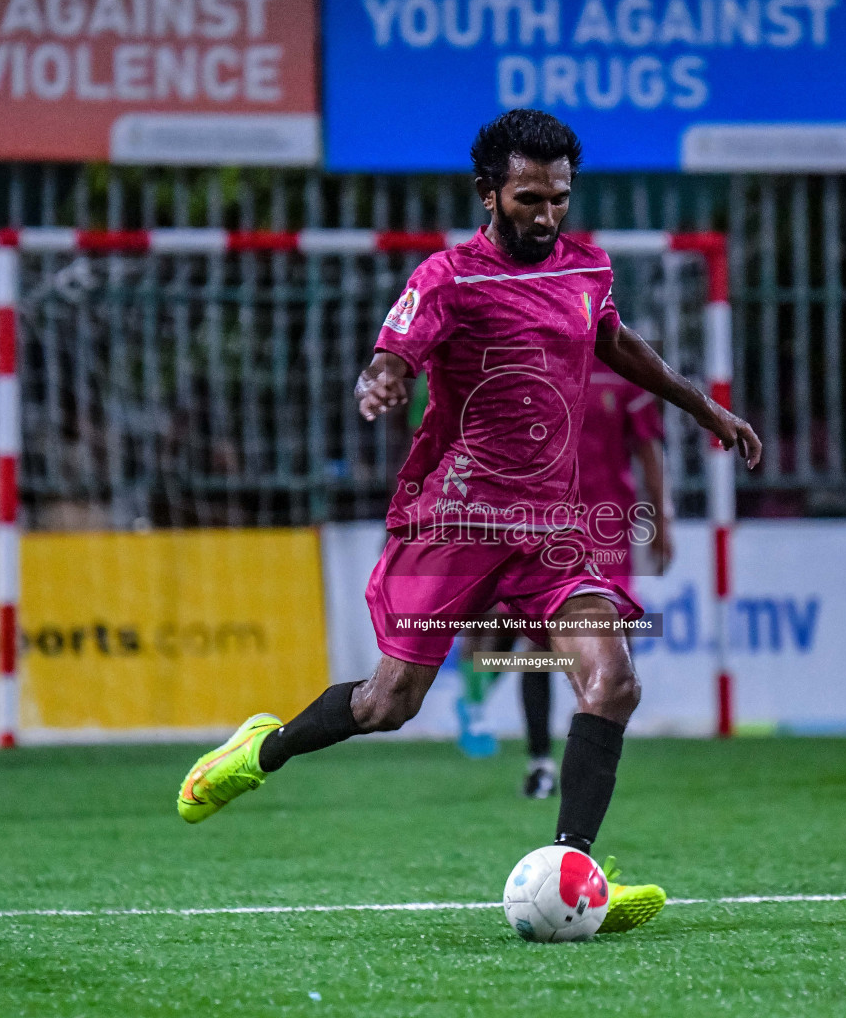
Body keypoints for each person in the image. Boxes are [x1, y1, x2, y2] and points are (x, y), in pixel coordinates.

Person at [174, 110, 761, 935]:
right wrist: (378, 384)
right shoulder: (448, 278)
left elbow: (615, 342)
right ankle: (258, 751)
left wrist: (705, 408)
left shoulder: (586, 265)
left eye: (559, 197)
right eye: (529, 197)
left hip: (552, 529)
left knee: (615, 681)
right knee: (388, 704)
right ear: (488, 194)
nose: (547, 214)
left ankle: (576, 868)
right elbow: (394, 354)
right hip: (456, 522)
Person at [457, 355, 672, 796]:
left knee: (613, 651)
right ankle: (540, 762)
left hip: (607, 530)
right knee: (537, 642)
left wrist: (662, 520)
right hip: (544, 528)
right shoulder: (534, 368)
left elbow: (648, 450)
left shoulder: (627, 374)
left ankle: (590, 758)